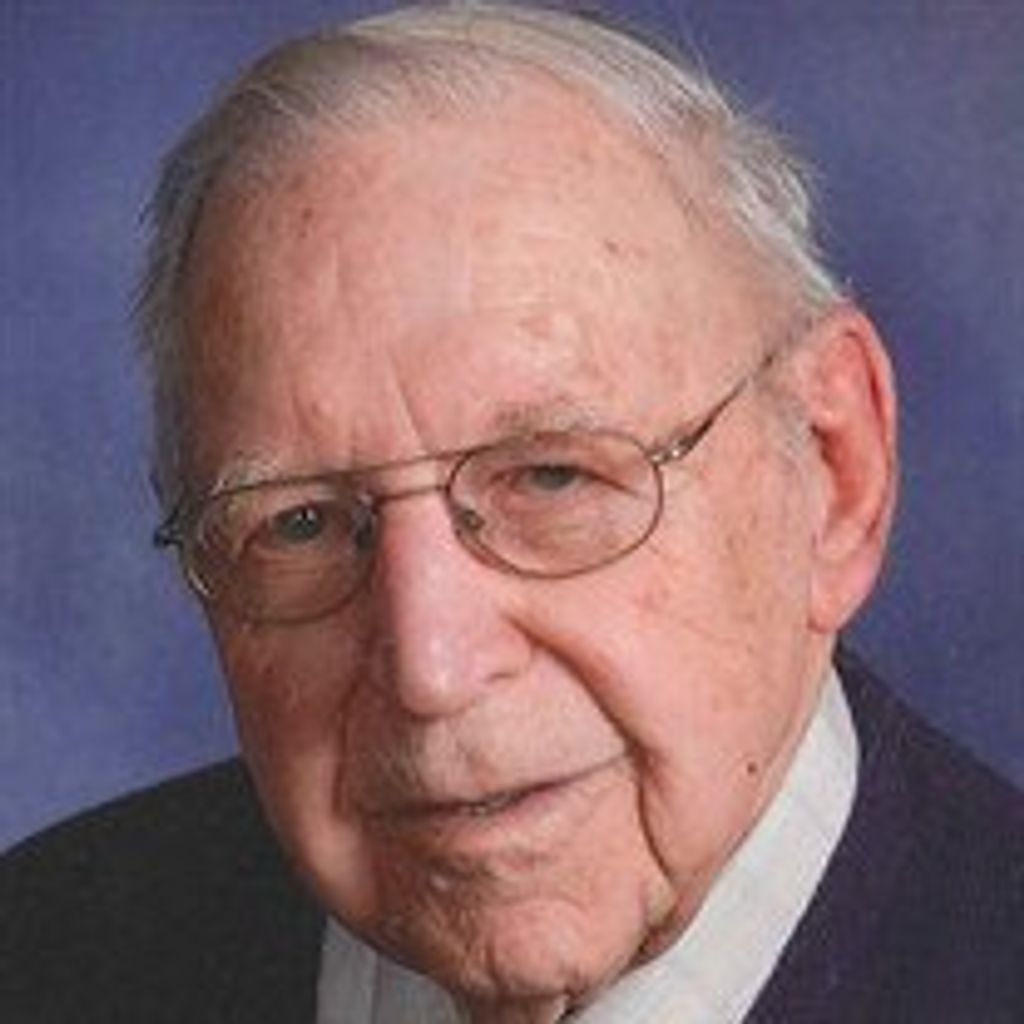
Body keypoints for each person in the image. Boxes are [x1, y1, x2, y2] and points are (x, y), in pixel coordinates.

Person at [3, 3, 1021, 1022]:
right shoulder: (43, 950)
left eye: (551, 479)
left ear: (834, 471)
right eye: (301, 523)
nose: (432, 670)